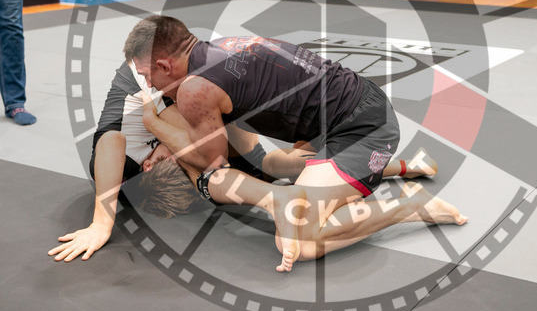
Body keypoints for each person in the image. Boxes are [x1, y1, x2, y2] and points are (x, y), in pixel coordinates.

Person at [123, 16, 461, 271]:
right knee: (278, 171)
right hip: (350, 111)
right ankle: (393, 169)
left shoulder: (194, 89)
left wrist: (153, 122)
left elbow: (214, 161)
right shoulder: (224, 47)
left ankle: (410, 206)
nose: (149, 86)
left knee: (304, 240)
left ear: (164, 65)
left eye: (146, 74)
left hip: (363, 128)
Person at [49, 56, 452, 267]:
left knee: (284, 167)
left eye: (168, 149)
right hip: (218, 141)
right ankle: (402, 188)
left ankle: (398, 175)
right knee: (283, 171)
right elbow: (261, 165)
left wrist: (102, 222)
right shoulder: (205, 170)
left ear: (151, 162)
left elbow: (109, 143)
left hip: (208, 114)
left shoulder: (137, 118)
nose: (172, 146)